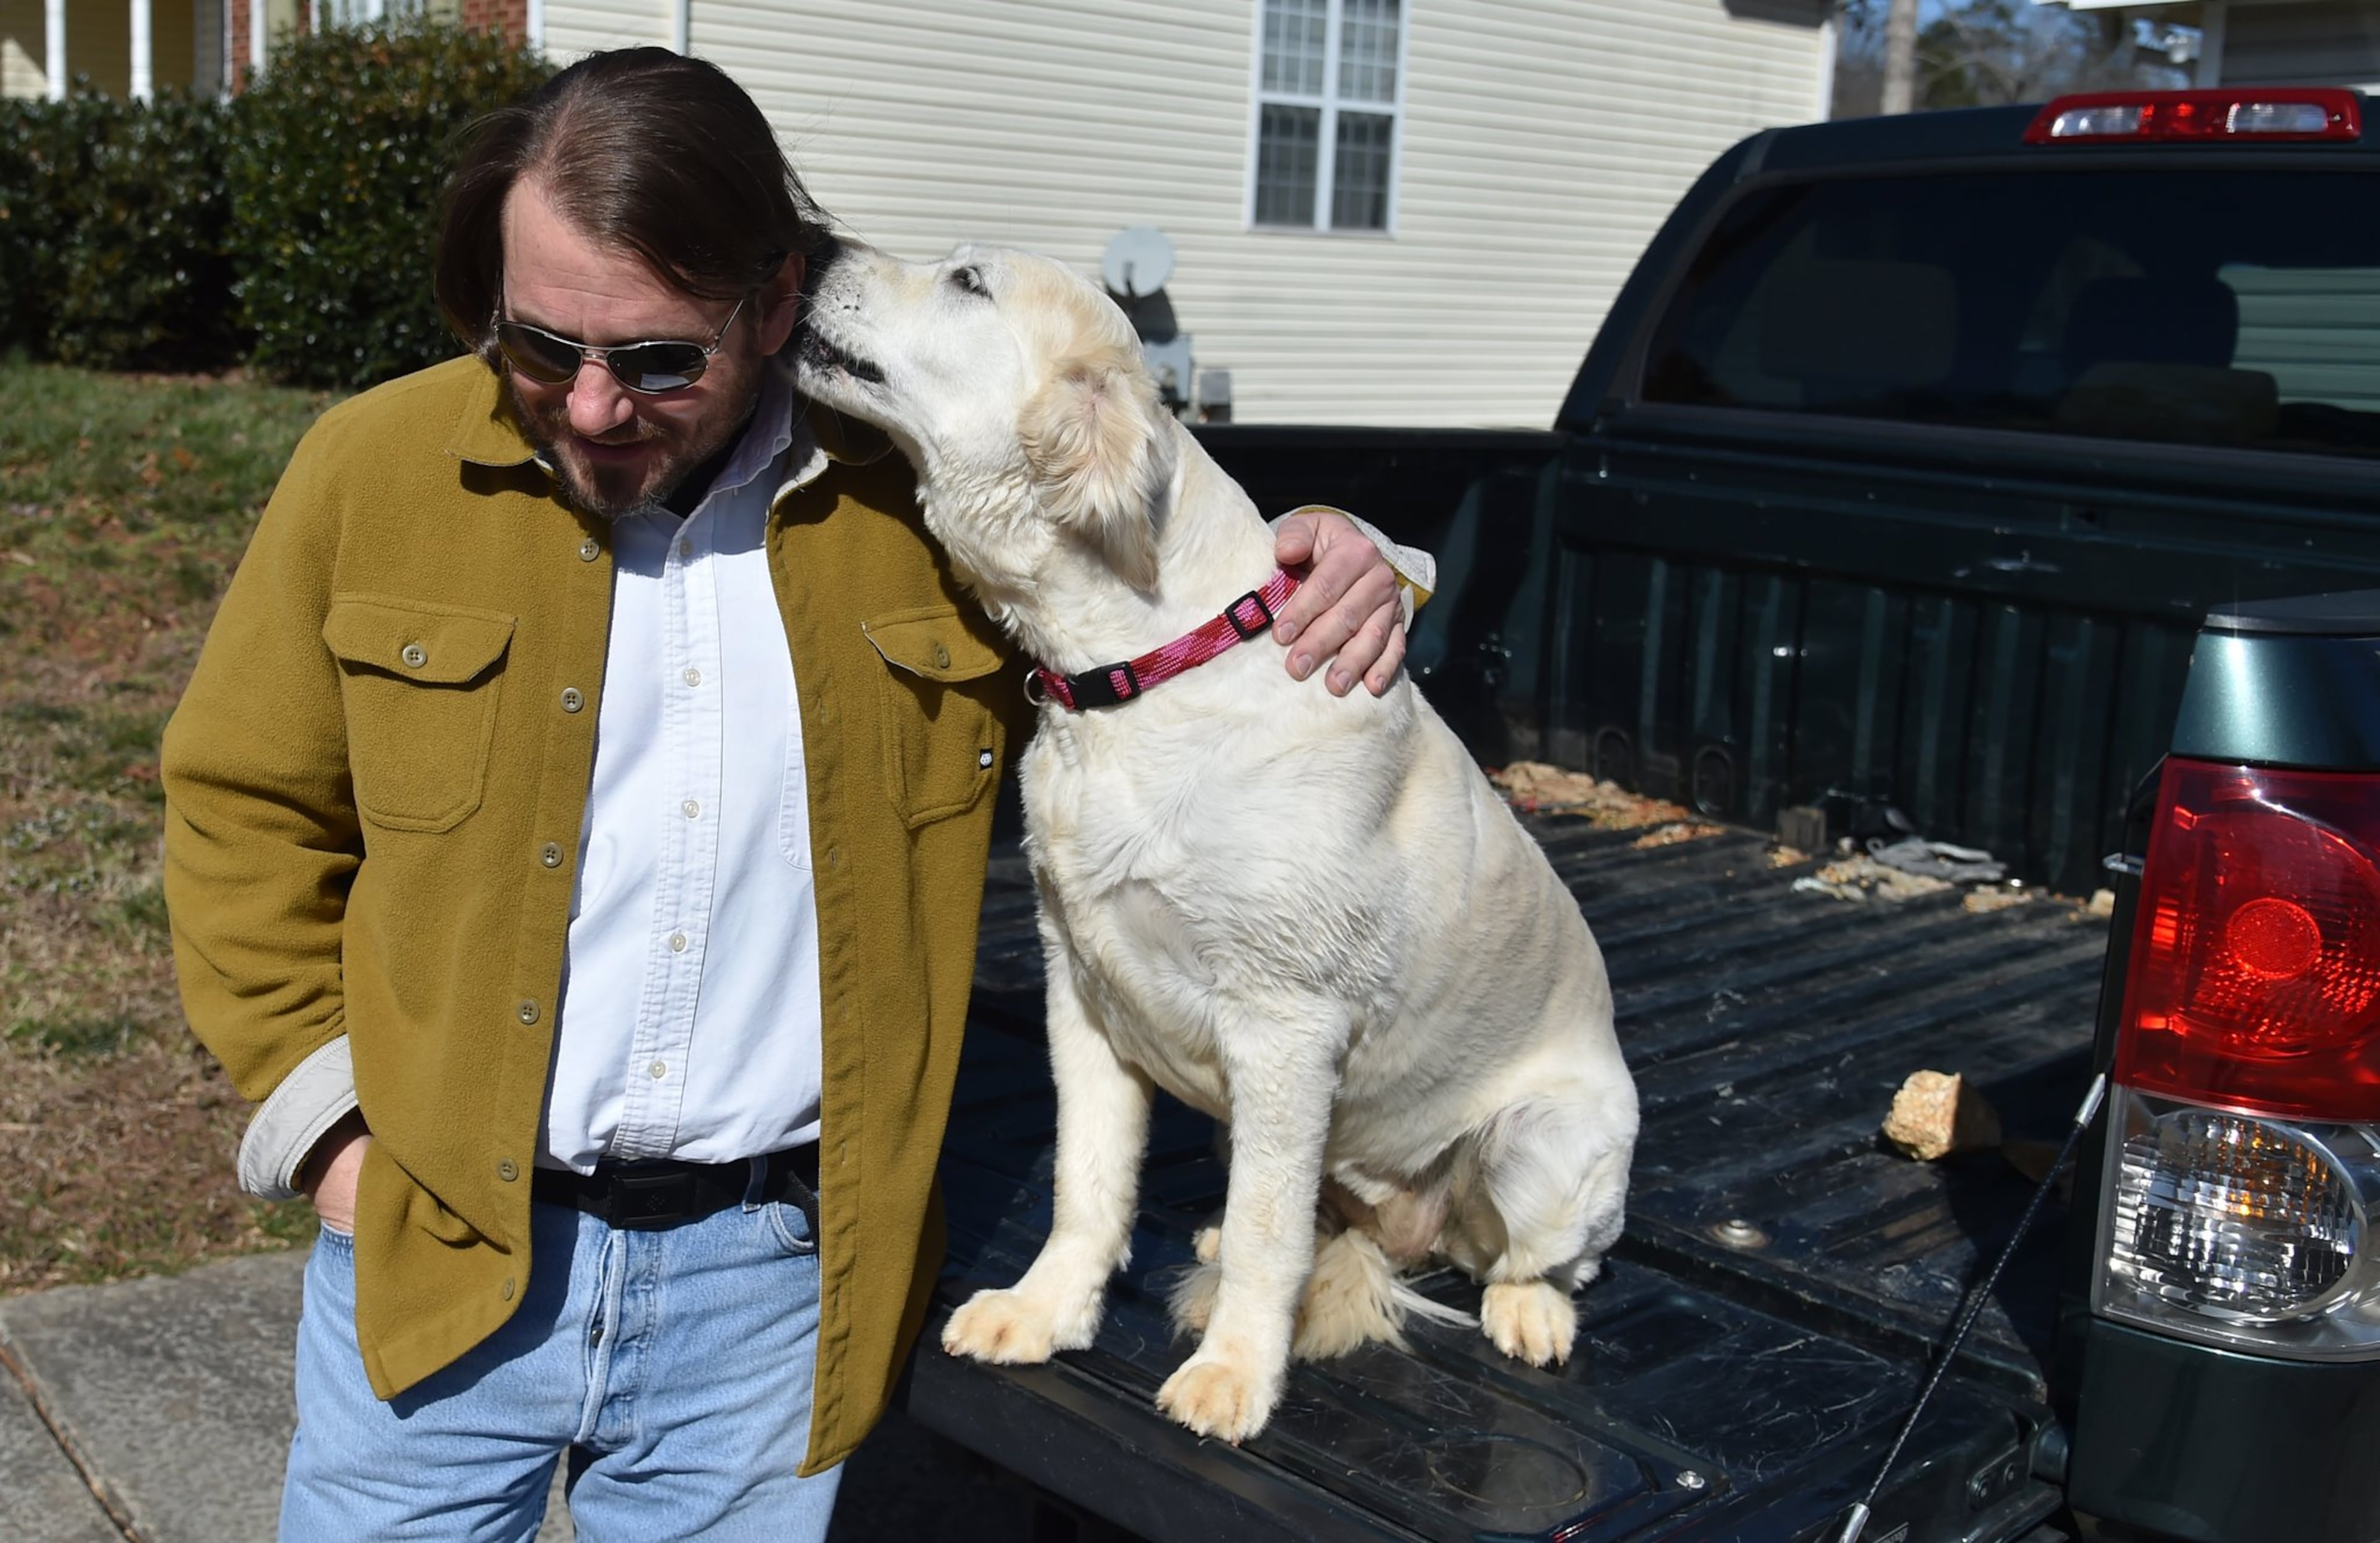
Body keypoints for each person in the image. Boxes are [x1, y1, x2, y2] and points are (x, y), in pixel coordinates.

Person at [161, 45, 1422, 1542]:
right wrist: (331, 1139)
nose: (590, 406)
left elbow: (1171, 592)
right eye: (540, 344)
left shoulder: (929, 509)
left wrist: (1361, 554)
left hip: (761, 1300)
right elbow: (241, 810)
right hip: (439, 1255)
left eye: (656, 360)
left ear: (773, 304)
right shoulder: (370, 474)